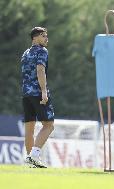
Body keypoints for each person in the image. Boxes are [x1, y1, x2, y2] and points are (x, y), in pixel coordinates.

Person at [21, 27, 55, 168]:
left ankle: (31, 162)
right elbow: (40, 70)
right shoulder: (42, 51)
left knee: (29, 129)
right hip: (37, 93)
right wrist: (44, 91)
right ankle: (34, 156)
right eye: (43, 35)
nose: (46, 38)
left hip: (25, 94)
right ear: (35, 38)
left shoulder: (25, 53)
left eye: (46, 35)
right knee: (49, 125)